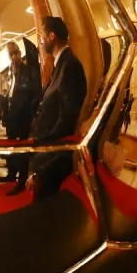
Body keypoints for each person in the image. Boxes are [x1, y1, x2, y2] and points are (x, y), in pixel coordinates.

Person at [25, 16, 87, 198]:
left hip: (51, 158)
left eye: (41, 36)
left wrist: (42, 170)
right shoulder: (60, 64)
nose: (40, 41)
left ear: (52, 36)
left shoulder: (71, 66)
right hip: (44, 152)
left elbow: (67, 120)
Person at [0, 38, 42, 185]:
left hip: (22, 115)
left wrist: (31, 114)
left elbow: (33, 92)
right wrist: (5, 112)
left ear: (19, 53)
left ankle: (22, 180)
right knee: (10, 147)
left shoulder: (26, 70)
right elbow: (9, 92)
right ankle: (11, 174)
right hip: (11, 115)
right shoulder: (11, 72)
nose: (12, 56)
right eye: (10, 53)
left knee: (22, 150)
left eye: (14, 52)